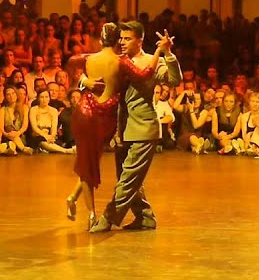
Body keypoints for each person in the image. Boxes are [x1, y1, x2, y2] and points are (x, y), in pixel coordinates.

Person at [90, 22, 180, 233]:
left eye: (127, 38)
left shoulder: (151, 61)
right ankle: (145, 217)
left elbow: (175, 79)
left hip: (144, 128)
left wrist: (168, 53)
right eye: (121, 38)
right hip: (123, 128)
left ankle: (108, 218)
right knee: (129, 178)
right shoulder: (117, 60)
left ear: (139, 41)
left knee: (129, 178)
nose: (122, 42)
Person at [62, 23, 153, 229]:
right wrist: (159, 52)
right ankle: (92, 215)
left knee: (88, 162)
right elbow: (144, 73)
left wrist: (84, 81)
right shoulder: (120, 61)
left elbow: (71, 64)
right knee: (91, 162)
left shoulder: (87, 58)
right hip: (105, 117)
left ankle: (75, 199)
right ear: (117, 40)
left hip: (86, 111)